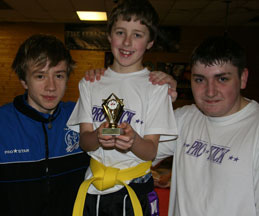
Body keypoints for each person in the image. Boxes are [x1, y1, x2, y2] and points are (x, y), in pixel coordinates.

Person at [67, 0, 177, 215]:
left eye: (137, 35)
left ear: (150, 41)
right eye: (120, 32)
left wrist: (133, 140)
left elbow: (150, 151)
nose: (127, 42)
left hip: (135, 189)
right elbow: (84, 141)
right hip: (94, 187)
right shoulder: (91, 83)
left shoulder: (156, 88)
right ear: (109, 35)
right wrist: (98, 135)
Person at [154, 35, 259, 216]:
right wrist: (149, 97)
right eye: (200, 80)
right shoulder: (183, 119)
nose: (210, 92)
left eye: (222, 79)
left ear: (243, 78)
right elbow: (130, 156)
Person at [0, 34, 90, 216]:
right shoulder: (3, 123)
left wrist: (161, 85)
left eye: (58, 75)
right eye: (40, 76)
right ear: (24, 80)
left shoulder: (82, 116)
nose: (51, 86)